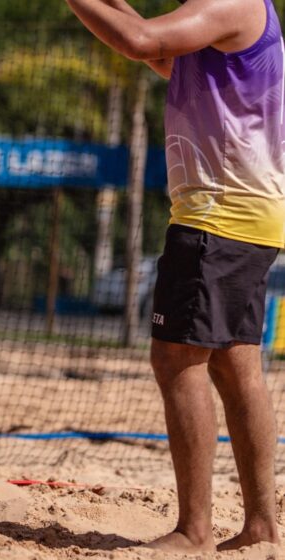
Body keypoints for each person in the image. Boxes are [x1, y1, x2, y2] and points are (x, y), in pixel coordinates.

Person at [67, 0, 283, 553]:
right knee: (237, 366)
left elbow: (140, 40)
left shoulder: (227, 0)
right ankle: (260, 526)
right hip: (249, 214)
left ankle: (194, 531)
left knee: (175, 357)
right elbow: (162, 56)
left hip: (219, 215)